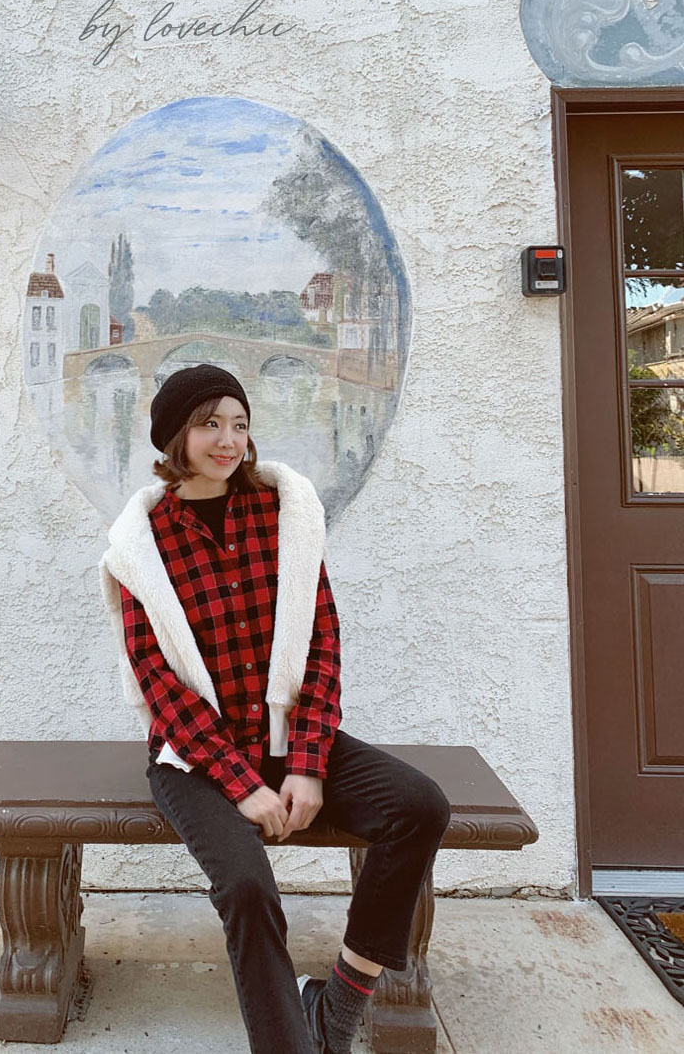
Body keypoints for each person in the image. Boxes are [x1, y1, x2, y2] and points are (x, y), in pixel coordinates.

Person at [99, 364, 450, 1054]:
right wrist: (243, 784)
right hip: (194, 759)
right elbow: (160, 686)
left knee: (419, 805)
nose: (228, 440)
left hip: (287, 737)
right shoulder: (141, 545)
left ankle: (337, 1009)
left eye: (239, 424)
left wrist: (308, 763)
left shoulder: (284, 513)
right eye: (210, 424)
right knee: (246, 886)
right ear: (175, 437)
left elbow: (321, 641)